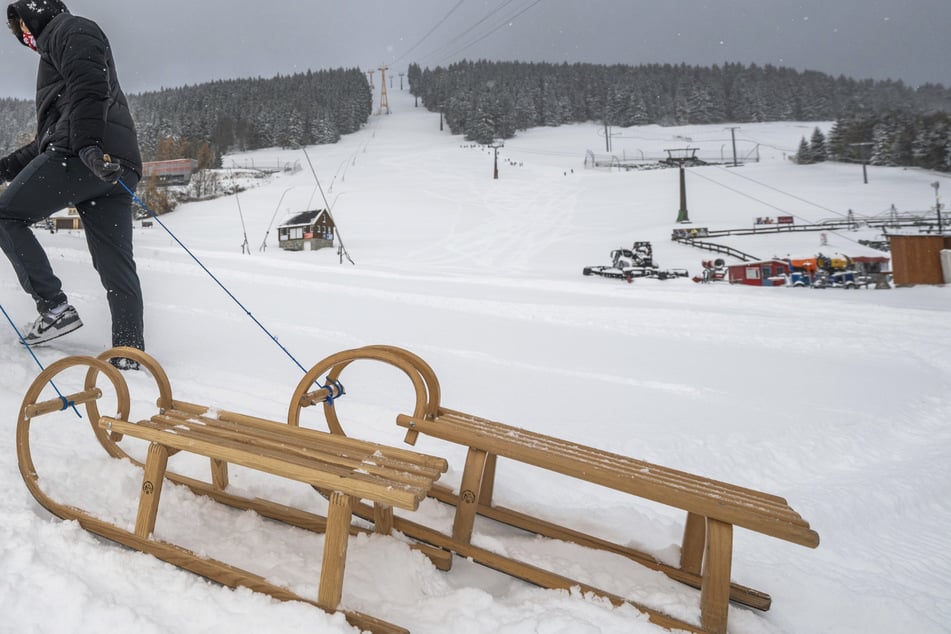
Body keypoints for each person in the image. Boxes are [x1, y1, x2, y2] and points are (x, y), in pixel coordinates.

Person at [0, 0, 144, 367]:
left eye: (24, 30)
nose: (25, 39)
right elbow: (45, 143)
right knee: (116, 265)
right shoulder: (59, 51)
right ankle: (129, 353)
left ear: (35, 17)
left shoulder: (71, 29)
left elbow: (88, 87)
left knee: (5, 215)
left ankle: (54, 307)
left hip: (83, 157)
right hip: (113, 166)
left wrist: (89, 147)